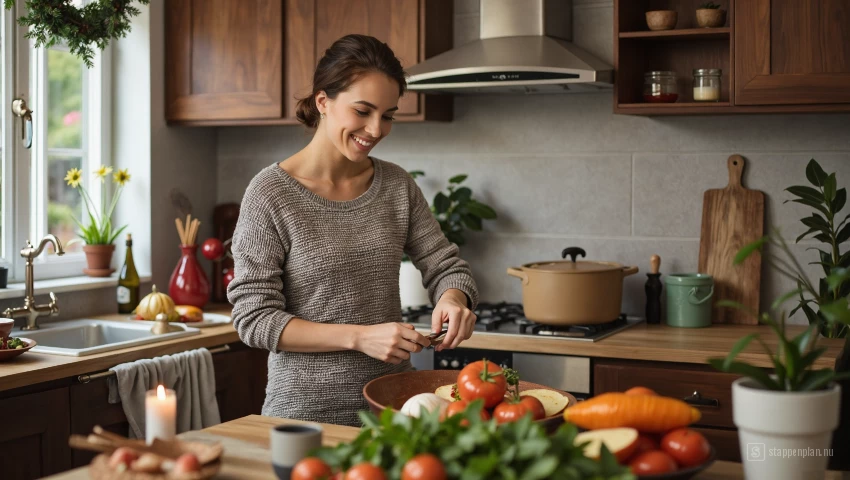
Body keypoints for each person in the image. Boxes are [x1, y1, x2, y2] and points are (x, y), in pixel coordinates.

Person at [227, 34, 479, 426]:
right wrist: (360, 337)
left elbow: (445, 265)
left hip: (393, 412)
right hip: (304, 418)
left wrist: (453, 298)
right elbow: (253, 319)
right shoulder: (270, 193)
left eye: (388, 115)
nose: (376, 129)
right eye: (363, 111)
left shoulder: (396, 185)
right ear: (323, 101)